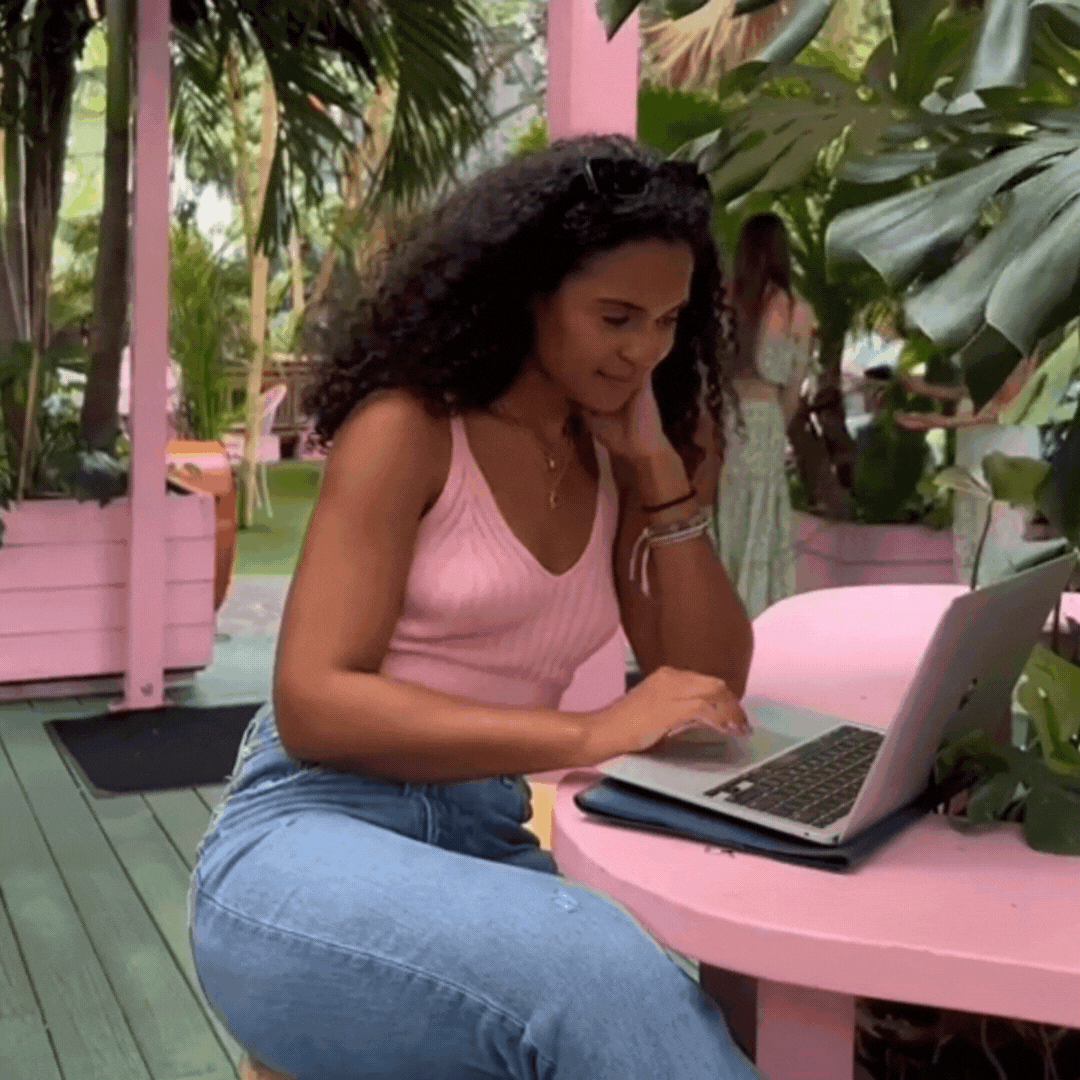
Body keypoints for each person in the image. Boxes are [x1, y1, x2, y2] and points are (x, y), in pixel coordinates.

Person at [186, 134, 763, 1080]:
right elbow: (315, 705)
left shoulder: (623, 445)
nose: (644, 350)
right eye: (615, 316)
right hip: (307, 835)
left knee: (613, 984)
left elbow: (708, 681)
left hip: (480, 839)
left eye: (667, 320)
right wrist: (586, 734)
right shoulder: (410, 428)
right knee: (597, 970)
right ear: (530, 291)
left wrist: (656, 471)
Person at [709, 213, 815, 621]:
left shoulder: (730, 303)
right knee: (762, 517)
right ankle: (758, 615)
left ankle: (722, 611)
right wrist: (779, 428)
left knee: (727, 510)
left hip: (727, 418)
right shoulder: (794, 309)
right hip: (764, 418)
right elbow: (793, 383)